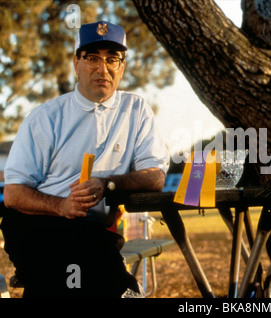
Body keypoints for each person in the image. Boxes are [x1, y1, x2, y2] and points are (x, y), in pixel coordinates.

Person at [1, 21, 170, 298]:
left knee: (87, 266)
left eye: (112, 59)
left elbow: (155, 176)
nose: (102, 69)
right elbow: (13, 194)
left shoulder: (135, 110)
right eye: (92, 58)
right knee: (86, 275)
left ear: (122, 66)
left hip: (93, 233)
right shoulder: (46, 118)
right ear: (75, 63)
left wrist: (108, 184)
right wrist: (62, 206)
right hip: (38, 225)